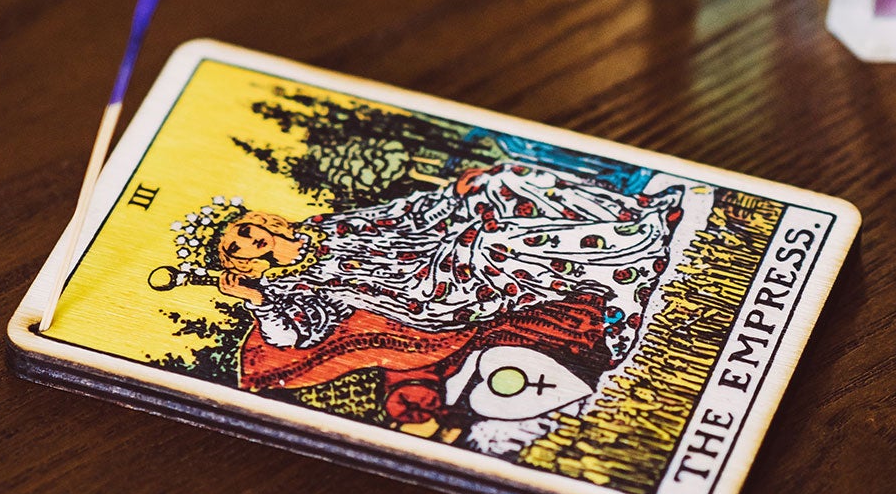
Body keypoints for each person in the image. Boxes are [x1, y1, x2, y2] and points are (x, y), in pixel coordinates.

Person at [164, 164, 683, 435]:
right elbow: (301, 332)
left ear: (259, 220)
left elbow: (401, 216)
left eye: (244, 229)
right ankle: (629, 258)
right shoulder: (288, 287)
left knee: (502, 180)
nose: (249, 240)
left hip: (440, 243)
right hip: (432, 293)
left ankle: (635, 215)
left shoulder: (325, 226)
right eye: (235, 248)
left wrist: (454, 195)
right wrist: (257, 299)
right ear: (240, 265)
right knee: (491, 245)